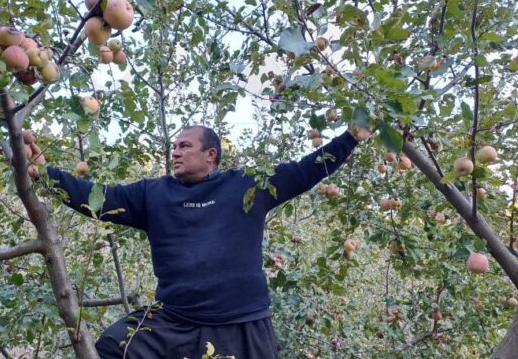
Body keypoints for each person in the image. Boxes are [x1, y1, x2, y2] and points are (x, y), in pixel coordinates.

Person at [45, 125, 369, 358]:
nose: (175, 151)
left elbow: (304, 170)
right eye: (174, 146)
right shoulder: (153, 194)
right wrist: (42, 174)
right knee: (112, 348)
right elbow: (97, 199)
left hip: (242, 325)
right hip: (174, 321)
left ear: (210, 154)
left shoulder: (247, 185)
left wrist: (350, 138)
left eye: (185, 146)